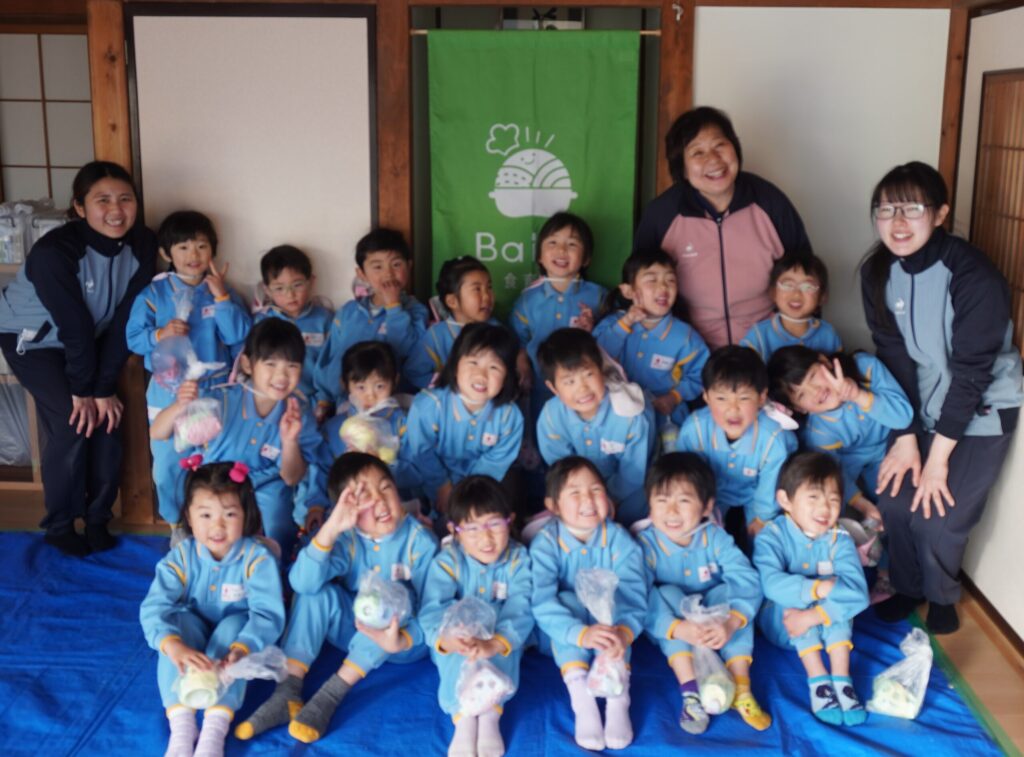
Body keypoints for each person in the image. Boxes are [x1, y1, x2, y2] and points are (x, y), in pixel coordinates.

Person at [860, 161, 1023, 634]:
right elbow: (891, 355)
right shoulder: (877, 271)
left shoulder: (973, 276)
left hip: (982, 409)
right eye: (886, 209)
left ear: (941, 213)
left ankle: (941, 593)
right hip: (921, 407)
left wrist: (939, 458)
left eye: (912, 208)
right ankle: (909, 587)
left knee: (938, 517)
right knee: (893, 499)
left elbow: (973, 374)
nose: (897, 222)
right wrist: (906, 435)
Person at [0, 160, 156, 555]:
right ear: (79, 207)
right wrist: (84, 390)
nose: (116, 209)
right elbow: (73, 328)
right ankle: (60, 523)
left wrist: (103, 389)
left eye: (125, 199)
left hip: (94, 337)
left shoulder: (143, 245)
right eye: (102, 200)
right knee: (73, 423)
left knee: (108, 418)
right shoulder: (55, 252)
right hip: (32, 340)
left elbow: (126, 321)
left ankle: (99, 517)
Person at [235, 452, 438, 744]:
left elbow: (433, 613)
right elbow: (301, 582)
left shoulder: (420, 542)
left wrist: (404, 640)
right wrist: (330, 529)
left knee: (393, 597)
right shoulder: (348, 538)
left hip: (402, 641)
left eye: (385, 487)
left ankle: (330, 695)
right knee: (316, 593)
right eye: (364, 497)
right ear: (348, 509)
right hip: (353, 628)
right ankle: (287, 692)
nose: (380, 501)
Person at [139, 461, 285, 757]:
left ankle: (213, 730)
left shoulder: (257, 559)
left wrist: (244, 648)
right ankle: (182, 729)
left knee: (233, 629)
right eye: (205, 514)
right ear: (189, 518)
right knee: (173, 631)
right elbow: (154, 608)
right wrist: (175, 646)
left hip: (236, 631)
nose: (217, 526)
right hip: (193, 624)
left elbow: (267, 614)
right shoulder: (181, 556)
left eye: (229, 514)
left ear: (246, 516)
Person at [633, 106, 811, 349]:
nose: (713, 160)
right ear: (682, 168)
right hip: (688, 351)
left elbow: (807, 276)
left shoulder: (770, 203)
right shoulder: (662, 214)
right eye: (697, 152)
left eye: (719, 146)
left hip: (770, 346)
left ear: (734, 148)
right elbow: (638, 284)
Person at [151, 319, 328, 554]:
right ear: (247, 363)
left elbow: (291, 477)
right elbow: (158, 432)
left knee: (277, 525)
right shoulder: (220, 400)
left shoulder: (298, 414)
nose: (281, 375)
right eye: (271, 364)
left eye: (292, 366)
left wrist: (289, 441)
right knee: (205, 541)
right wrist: (180, 406)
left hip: (265, 487)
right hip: (213, 484)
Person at [126, 210, 250, 526]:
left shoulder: (222, 290)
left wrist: (222, 298)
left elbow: (240, 337)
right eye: (182, 247)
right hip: (169, 394)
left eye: (201, 246)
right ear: (166, 253)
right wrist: (160, 334)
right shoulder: (153, 294)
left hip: (215, 391)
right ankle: (177, 524)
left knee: (215, 462)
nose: (193, 255)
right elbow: (133, 339)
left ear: (213, 250)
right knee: (168, 466)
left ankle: (213, 525)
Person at [636, 452, 770, 735]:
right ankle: (691, 693)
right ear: (649, 505)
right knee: (667, 592)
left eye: (684, 501)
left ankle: (742, 689)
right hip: (675, 620)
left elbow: (746, 578)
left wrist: (731, 621)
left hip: (715, 617)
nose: (672, 512)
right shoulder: (644, 545)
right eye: (662, 501)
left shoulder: (715, 537)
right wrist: (677, 628)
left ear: (707, 506)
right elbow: (635, 597)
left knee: (729, 593)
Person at [530, 457, 646, 751]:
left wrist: (624, 632)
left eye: (596, 490)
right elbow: (541, 600)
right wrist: (580, 634)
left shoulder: (619, 540)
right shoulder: (546, 543)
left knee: (617, 607)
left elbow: (635, 593)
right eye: (575, 493)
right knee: (566, 599)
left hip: (609, 632)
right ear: (553, 505)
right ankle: (582, 699)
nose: (588, 500)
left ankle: (618, 699)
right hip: (563, 636)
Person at [419, 475, 533, 757]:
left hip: (500, 638)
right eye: (471, 529)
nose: (486, 538)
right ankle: (463, 719)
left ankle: (492, 714)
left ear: (510, 520)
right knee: (455, 647)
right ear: (454, 530)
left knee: (502, 636)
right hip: (459, 642)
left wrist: (494, 643)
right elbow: (432, 608)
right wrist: (448, 638)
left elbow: (523, 605)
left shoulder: (519, 560)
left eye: (494, 524)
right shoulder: (449, 562)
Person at [754, 452, 869, 726]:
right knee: (797, 597)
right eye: (813, 498)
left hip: (821, 622)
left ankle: (842, 680)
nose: (824, 508)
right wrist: (819, 589)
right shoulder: (772, 536)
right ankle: (818, 680)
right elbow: (771, 584)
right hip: (783, 624)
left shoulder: (839, 539)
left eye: (832, 500)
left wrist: (816, 614)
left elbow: (858, 594)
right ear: (785, 500)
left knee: (843, 606)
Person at [768, 346, 913, 524]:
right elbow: (835, 471)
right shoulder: (819, 432)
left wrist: (858, 395)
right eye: (802, 394)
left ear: (824, 361)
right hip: (852, 461)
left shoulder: (864, 367)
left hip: (893, 442)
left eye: (813, 376)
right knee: (835, 503)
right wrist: (862, 504)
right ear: (800, 409)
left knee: (902, 502)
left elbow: (903, 418)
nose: (816, 391)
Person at [674, 345, 797, 552]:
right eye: (721, 398)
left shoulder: (773, 438)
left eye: (743, 398)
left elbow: (770, 486)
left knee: (763, 541)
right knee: (702, 539)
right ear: (706, 396)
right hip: (712, 491)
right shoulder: (694, 430)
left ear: (761, 397)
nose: (732, 409)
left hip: (755, 491)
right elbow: (686, 479)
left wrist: (761, 518)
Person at [402, 323, 524, 517]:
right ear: (455, 364)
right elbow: (422, 452)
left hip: (478, 484)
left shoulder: (510, 417)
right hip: (427, 477)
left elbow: (494, 463)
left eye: (494, 367)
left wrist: (466, 494)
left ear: (507, 376)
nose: (481, 375)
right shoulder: (428, 406)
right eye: (473, 363)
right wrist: (442, 486)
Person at [536, 328, 652, 525]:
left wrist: (608, 498)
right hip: (579, 492)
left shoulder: (629, 413)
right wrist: (588, 498)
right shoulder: (551, 416)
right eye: (569, 381)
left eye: (588, 374)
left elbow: (633, 472)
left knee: (633, 522)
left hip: (627, 490)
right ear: (553, 388)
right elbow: (561, 468)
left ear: (602, 369)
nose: (582, 388)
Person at [593, 247, 709, 428]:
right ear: (628, 291)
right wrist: (627, 322)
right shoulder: (613, 323)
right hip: (616, 418)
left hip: (664, 419)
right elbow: (597, 355)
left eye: (670, 280)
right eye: (652, 280)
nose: (663, 287)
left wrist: (674, 396)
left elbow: (701, 374)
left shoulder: (685, 337)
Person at [314, 228, 428, 407]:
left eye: (396, 264)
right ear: (362, 274)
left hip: (391, 405)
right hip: (347, 403)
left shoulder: (417, 310)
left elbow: (406, 349)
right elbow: (330, 356)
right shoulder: (348, 312)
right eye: (377, 267)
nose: (388, 273)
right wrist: (323, 399)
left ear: (409, 266)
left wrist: (394, 306)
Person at [510, 212, 607, 397]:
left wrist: (593, 330)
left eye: (572, 244)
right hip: (540, 388)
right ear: (539, 256)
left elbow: (614, 338)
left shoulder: (599, 297)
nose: (561, 250)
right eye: (552, 243)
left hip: (585, 391)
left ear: (586, 258)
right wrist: (521, 362)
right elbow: (518, 339)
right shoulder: (526, 300)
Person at [254, 244, 333, 422]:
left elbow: (331, 363)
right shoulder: (262, 322)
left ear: (311, 282)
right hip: (274, 402)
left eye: (297, 285)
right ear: (267, 290)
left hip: (316, 403)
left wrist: (324, 399)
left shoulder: (325, 320)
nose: (290, 295)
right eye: (279, 288)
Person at [406, 255, 498, 389]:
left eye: (489, 287)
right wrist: (445, 384)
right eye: (477, 289)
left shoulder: (497, 330)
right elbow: (413, 373)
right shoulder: (436, 336)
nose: (487, 296)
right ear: (452, 301)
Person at [740, 251, 842, 361]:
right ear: (773, 292)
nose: (796, 293)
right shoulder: (759, 335)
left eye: (807, 287)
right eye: (787, 285)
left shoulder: (828, 334)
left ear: (822, 296)